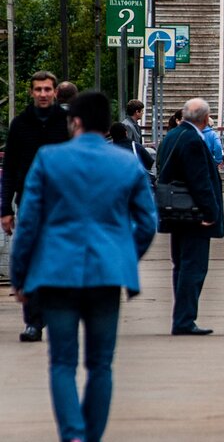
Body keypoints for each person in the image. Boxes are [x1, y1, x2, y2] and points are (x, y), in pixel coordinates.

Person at [8, 91, 157, 442]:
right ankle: (91, 437)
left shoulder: (49, 159)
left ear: (73, 120)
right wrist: (123, 257)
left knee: (61, 362)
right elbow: (148, 222)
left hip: (56, 274)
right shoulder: (126, 163)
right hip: (107, 275)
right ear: (107, 125)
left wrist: (20, 277)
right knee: (100, 364)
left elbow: (27, 224)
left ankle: (73, 435)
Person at [2, 71, 71, 342]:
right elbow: (9, 169)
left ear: (55, 92)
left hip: (61, 205)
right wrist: (5, 208)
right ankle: (33, 321)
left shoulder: (65, 123)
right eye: (38, 89)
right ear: (31, 92)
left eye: (47, 89)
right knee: (30, 261)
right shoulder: (20, 124)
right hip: (28, 203)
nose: (43, 94)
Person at [156, 98, 224, 336]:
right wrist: (209, 212)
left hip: (176, 212)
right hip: (193, 214)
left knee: (181, 266)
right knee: (193, 268)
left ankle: (181, 318)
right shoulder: (193, 140)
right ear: (205, 119)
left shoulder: (172, 136)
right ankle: (184, 320)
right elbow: (200, 181)